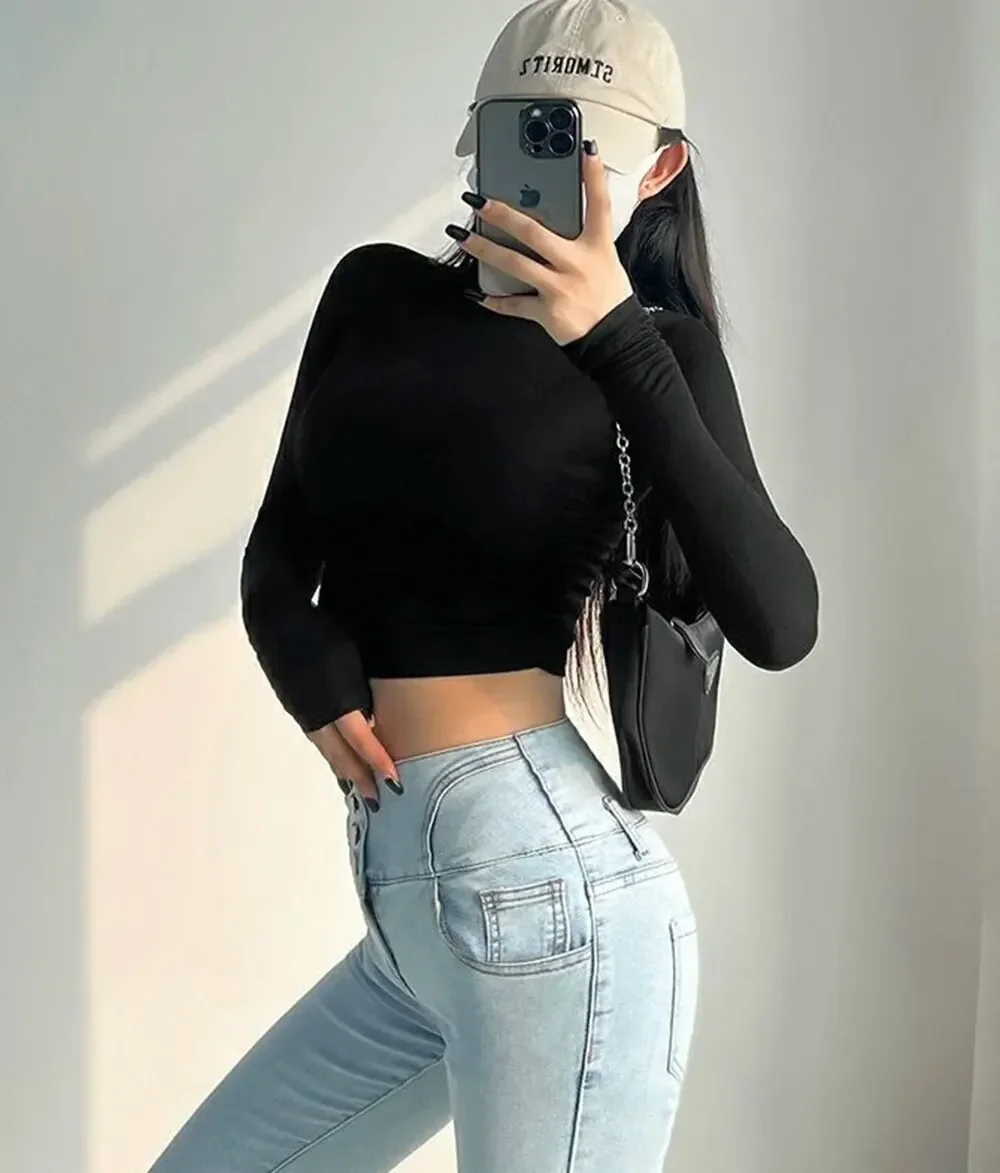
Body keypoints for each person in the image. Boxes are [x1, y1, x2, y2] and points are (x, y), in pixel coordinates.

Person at [149, 0, 819, 1170]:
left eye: (589, 144)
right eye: (531, 130)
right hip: (405, 912)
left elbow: (780, 621)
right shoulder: (374, 295)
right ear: (478, 135)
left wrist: (612, 339)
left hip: (546, 891)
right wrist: (301, 662)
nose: (556, 169)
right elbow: (278, 551)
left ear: (658, 169)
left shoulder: (656, 354)